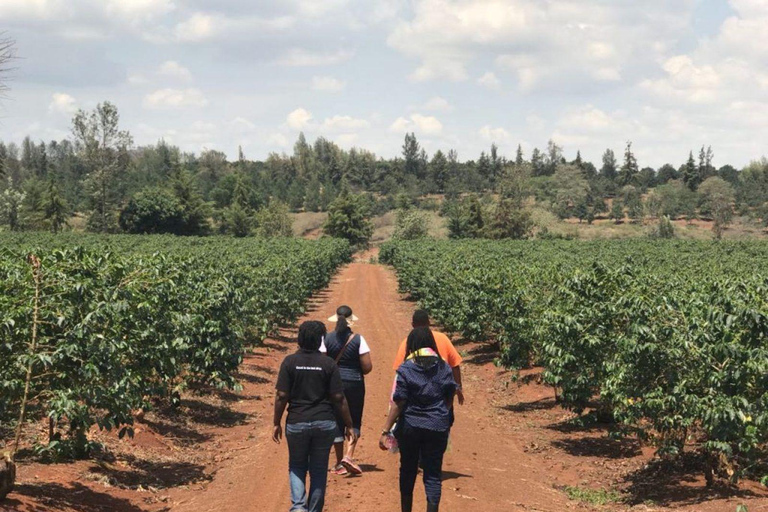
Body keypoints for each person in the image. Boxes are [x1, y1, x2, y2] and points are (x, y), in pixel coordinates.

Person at [273, 320, 358, 512]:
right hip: (324, 423)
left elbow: (282, 395)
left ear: (299, 339)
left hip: (296, 422)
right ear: (321, 339)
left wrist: (276, 422)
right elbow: (338, 397)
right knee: (319, 469)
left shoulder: (289, 362)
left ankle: (298, 508)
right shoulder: (328, 364)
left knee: (296, 465)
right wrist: (349, 424)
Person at [380, 327, 457, 512]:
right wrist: (439, 414)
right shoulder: (444, 367)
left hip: (410, 427)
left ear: (412, 345)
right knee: (432, 474)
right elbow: (450, 395)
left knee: (408, 470)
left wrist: (385, 430)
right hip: (437, 427)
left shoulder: (406, 368)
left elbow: (399, 402)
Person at [321, 305, 373, 476]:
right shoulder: (358, 339)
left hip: (333, 384)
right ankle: (349, 455)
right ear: (351, 320)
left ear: (335, 319)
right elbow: (367, 367)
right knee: (354, 419)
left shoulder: (326, 339)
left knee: (336, 419)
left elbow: (322, 362)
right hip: (355, 383)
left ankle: (338, 462)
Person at [393, 310, 464, 406]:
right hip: (441, 398)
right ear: (429, 323)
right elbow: (455, 364)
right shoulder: (442, 338)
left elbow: (399, 371)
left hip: (417, 400)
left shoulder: (408, 342)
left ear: (413, 325)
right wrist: (458, 387)